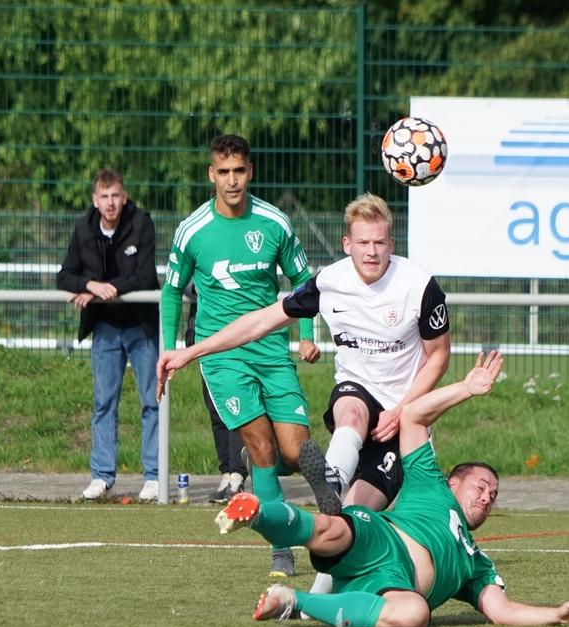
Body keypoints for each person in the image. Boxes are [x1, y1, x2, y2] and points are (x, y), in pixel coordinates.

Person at [156, 192, 451, 593]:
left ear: (391, 244)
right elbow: (260, 322)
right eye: (363, 242)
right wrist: (189, 351)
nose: (371, 251)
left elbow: (438, 356)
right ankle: (330, 479)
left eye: (380, 242)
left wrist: (403, 410)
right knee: (351, 412)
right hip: (357, 392)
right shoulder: (330, 283)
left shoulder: (419, 285)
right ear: (347, 244)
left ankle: (312, 599)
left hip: (405, 410)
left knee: (352, 521)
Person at [214, 351, 569, 627]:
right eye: (482, 486)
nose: (488, 497)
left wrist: (555, 614)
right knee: (333, 528)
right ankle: (256, 513)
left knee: (415, 614)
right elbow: (414, 416)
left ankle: (295, 601)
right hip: (380, 540)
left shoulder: (477, 563)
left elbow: (502, 611)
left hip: (392, 586)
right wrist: (466, 388)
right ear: (454, 483)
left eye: (494, 495)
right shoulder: (430, 482)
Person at [157, 134, 330, 578]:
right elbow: (172, 291)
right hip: (222, 357)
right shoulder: (193, 230)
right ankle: (282, 548)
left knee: (296, 451)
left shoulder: (274, 223)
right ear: (211, 175)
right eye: (223, 172)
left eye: (239, 171)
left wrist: (306, 336)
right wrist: (171, 347)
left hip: (271, 350)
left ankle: (311, 486)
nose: (232, 180)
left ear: (250, 172)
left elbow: (303, 280)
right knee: (262, 447)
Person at [57, 168, 161, 501]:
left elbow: (145, 277)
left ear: (124, 197)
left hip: (142, 326)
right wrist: (89, 285)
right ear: (95, 200)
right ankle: (101, 476)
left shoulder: (141, 223)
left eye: (116, 195)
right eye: (104, 196)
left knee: (153, 402)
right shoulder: (84, 228)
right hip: (104, 327)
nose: (111, 202)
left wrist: (108, 288)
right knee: (103, 403)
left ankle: (154, 477)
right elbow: (64, 276)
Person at [183, 280, 246, 503]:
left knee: (235, 408)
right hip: (205, 336)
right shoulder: (195, 253)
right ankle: (227, 473)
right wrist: (196, 286)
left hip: (235, 334)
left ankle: (238, 476)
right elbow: (180, 281)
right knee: (216, 409)